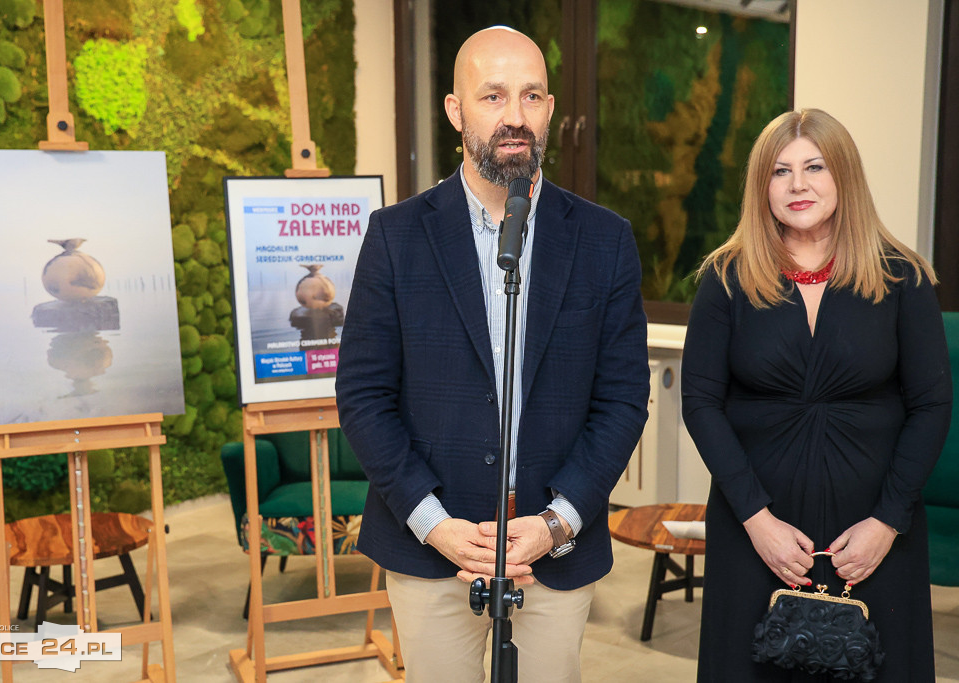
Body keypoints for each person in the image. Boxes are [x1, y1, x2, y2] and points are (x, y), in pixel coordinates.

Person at [336, 26, 649, 683]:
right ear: (456, 110)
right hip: (431, 546)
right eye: (493, 95)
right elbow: (364, 398)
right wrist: (436, 523)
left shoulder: (605, 241)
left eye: (532, 96)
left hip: (552, 552)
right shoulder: (395, 237)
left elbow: (621, 401)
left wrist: (557, 522)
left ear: (551, 109)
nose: (515, 116)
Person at [681, 108, 952, 682]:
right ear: (763, 188)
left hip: (874, 533)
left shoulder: (901, 277)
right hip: (757, 531)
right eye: (780, 172)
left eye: (814, 167)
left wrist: (887, 521)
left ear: (844, 176)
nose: (797, 184)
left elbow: (932, 405)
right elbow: (700, 403)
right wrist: (757, 521)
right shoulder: (726, 278)